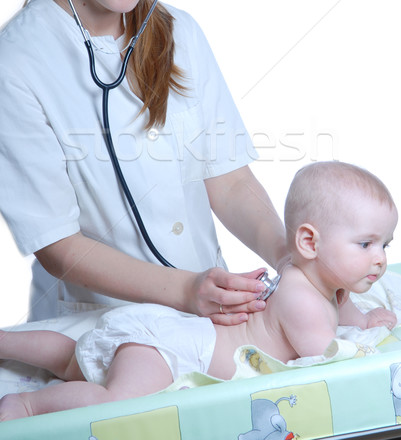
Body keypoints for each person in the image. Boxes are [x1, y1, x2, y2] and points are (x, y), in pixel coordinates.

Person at [0, 0, 287, 325]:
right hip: (101, 324)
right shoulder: (18, 62)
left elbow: (229, 179)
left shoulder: (179, 33)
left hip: (208, 313)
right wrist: (184, 289)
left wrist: (291, 260)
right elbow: (56, 244)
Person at [0, 160, 397, 420]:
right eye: (366, 244)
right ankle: (28, 404)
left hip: (175, 335)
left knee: (75, 358)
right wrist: (368, 339)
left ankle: (6, 343)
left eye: (386, 245)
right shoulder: (300, 299)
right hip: (173, 357)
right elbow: (331, 356)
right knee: (116, 405)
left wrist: (366, 319)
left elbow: (346, 316)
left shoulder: (324, 285)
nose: (379, 258)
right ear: (309, 243)